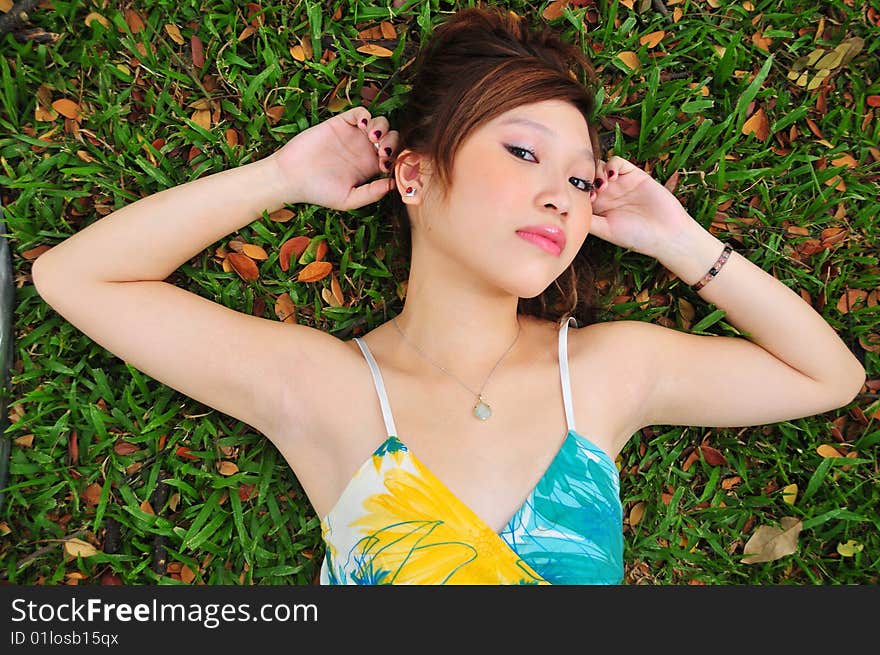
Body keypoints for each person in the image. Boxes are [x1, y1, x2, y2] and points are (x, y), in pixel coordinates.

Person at [32, 5, 865, 585]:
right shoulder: (322, 389)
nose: (563, 196)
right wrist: (278, 178)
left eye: (581, 178)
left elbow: (826, 376)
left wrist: (679, 242)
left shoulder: (608, 372)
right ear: (417, 174)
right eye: (524, 153)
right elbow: (73, 277)